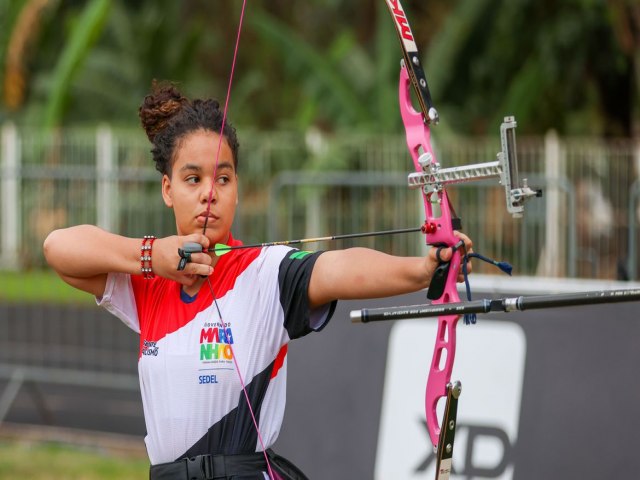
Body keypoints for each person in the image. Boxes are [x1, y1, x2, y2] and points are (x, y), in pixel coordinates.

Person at [43, 82, 473, 480]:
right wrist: (151, 255)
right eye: (193, 179)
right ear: (167, 189)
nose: (210, 192)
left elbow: (341, 268)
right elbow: (58, 248)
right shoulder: (148, 283)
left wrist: (422, 269)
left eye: (223, 178)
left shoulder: (267, 271)